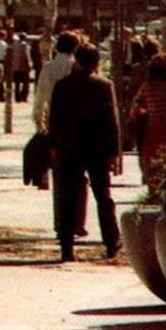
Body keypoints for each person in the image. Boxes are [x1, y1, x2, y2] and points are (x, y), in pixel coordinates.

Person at [46, 43, 121, 262]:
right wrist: (114, 151)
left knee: (68, 196)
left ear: (77, 61)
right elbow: (111, 121)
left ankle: (67, 245)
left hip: (69, 147)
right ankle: (111, 240)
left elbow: (54, 119)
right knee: (103, 195)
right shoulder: (104, 85)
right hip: (96, 148)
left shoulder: (62, 86)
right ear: (97, 62)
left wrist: (53, 144)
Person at [128, 52, 166, 189]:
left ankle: (154, 193)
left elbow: (136, 107)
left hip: (153, 130)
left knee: (153, 165)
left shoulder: (147, 86)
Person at [32, 30, 78, 134]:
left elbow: (40, 97)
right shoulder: (75, 67)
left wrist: (40, 125)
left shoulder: (48, 68)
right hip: (74, 120)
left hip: (52, 118)